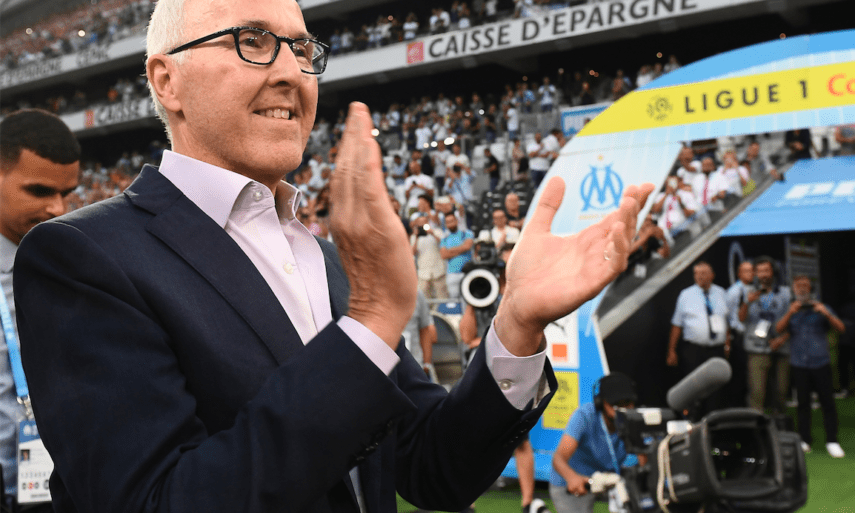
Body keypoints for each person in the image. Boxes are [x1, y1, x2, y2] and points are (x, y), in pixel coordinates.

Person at [14, 1, 654, 511]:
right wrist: (371, 324)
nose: (291, 72)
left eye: (301, 49)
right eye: (252, 41)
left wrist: (516, 324)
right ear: (167, 79)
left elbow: (433, 468)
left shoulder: (329, 262)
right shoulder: (82, 256)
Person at [0, 109, 80, 512]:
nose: (57, 208)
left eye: (67, 193)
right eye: (39, 191)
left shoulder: (75, 263)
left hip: (57, 489)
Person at [775, 275, 846, 457]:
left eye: (805, 285)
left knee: (827, 403)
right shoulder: (790, 308)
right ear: (793, 289)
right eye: (798, 286)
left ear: (810, 288)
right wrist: (790, 312)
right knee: (803, 404)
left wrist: (826, 313)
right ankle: (805, 440)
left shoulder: (821, 307)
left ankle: (832, 441)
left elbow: (841, 328)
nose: (802, 288)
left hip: (820, 362)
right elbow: (778, 329)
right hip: (799, 363)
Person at [550, 373, 641, 513]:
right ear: (601, 403)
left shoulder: (636, 419)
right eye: (616, 404)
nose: (623, 409)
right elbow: (559, 458)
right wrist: (572, 478)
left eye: (628, 403)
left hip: (612, 480)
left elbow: (644, 462)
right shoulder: (584, 416)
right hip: (576, 481)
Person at [667, 261, 730, 416]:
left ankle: (713, 419)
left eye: (703, 273)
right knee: (694, 387)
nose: (699, 276)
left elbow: (726, 321)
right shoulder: (686, 295)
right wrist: (671, 350)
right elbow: (677, 324)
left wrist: (727, 343)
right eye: (696, 273)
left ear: (712, 275)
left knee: (715, 389)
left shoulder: (721, 293)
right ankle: (693, 420)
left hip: (716, 350)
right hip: (694, 350)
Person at [739, 257, 791, 414]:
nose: (763, 275)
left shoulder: (785, 293)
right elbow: (741, 319)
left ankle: (779, 422)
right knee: (757, 392)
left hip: (781, 347)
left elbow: (794, 320)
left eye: (766, 270)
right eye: (760, 271)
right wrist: (747, 303)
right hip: (756, 348)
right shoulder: (747, 292)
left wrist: (782, 339)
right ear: (755, 273)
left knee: (781, 391)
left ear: (773, 272)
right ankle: (755, 425)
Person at [724, 261, 754, 408]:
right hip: (739, 337)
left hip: (753, 337)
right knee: (739, 375)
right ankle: (737, 407)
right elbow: (726, 317)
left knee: (751, 374)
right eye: (746, 271)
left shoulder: (754, 289)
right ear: (739, 274)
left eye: (751, 270)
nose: (750, 273)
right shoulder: (734, 291)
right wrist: (728, 341)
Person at [440, 212, 475, 300]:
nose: (450, 224)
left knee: (469, 299)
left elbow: (467, 246)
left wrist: (450, 250)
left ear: (456, 221)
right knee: (454, 300)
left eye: (452, 221)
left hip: (467, 272)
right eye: (448, 222)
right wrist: (461, 248)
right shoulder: (444, 237)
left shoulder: (466, 233)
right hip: (452, 274)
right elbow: (444, 255)